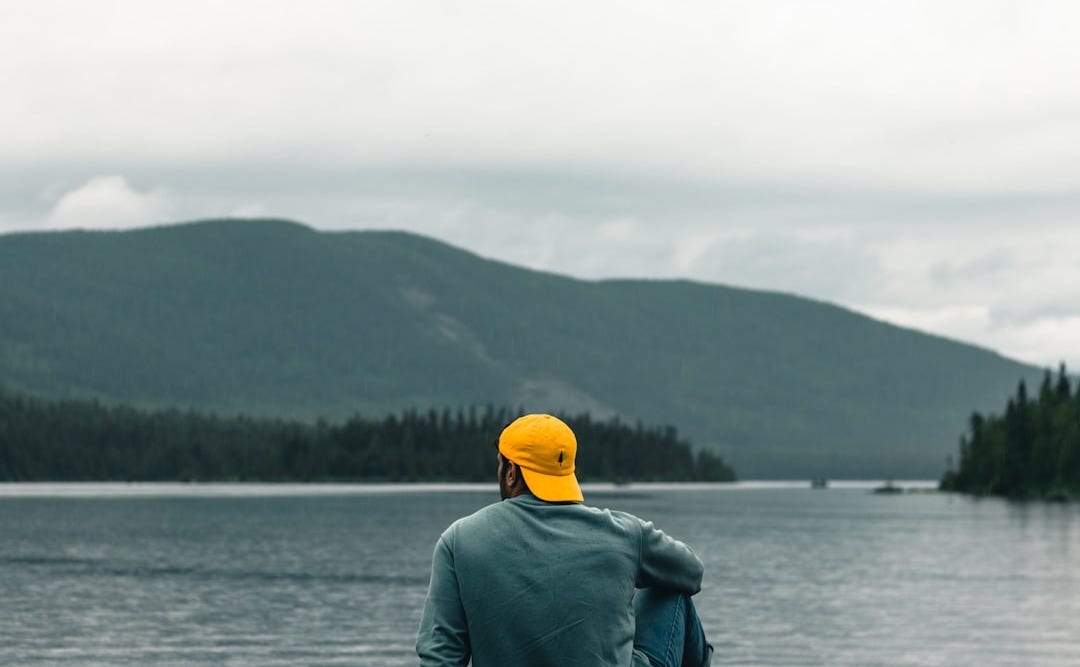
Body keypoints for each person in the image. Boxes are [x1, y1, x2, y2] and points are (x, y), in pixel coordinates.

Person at [416, 413, 713, 666]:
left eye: (500, 464)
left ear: (510, 472)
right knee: (671, 591)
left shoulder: (459, 540)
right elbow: (691, 573)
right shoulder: (623, 532)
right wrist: (623, 580)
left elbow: (439, 658)